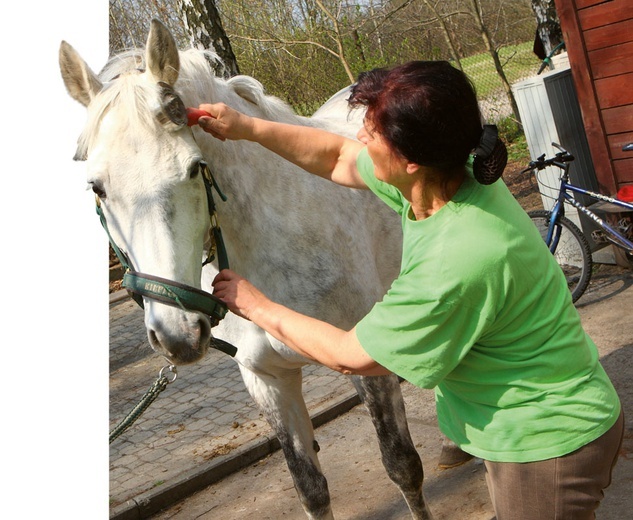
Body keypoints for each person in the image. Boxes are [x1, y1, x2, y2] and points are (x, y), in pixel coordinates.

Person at [197, 61, 623, 519]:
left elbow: (350, 354)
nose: (359, 139)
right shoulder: (441, 181)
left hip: (545, 446)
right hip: (531, 430)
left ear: (409, 160)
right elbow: (336, 157)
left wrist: (257, 305)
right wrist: (245, 127)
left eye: (370, 132)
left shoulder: (458, 255)